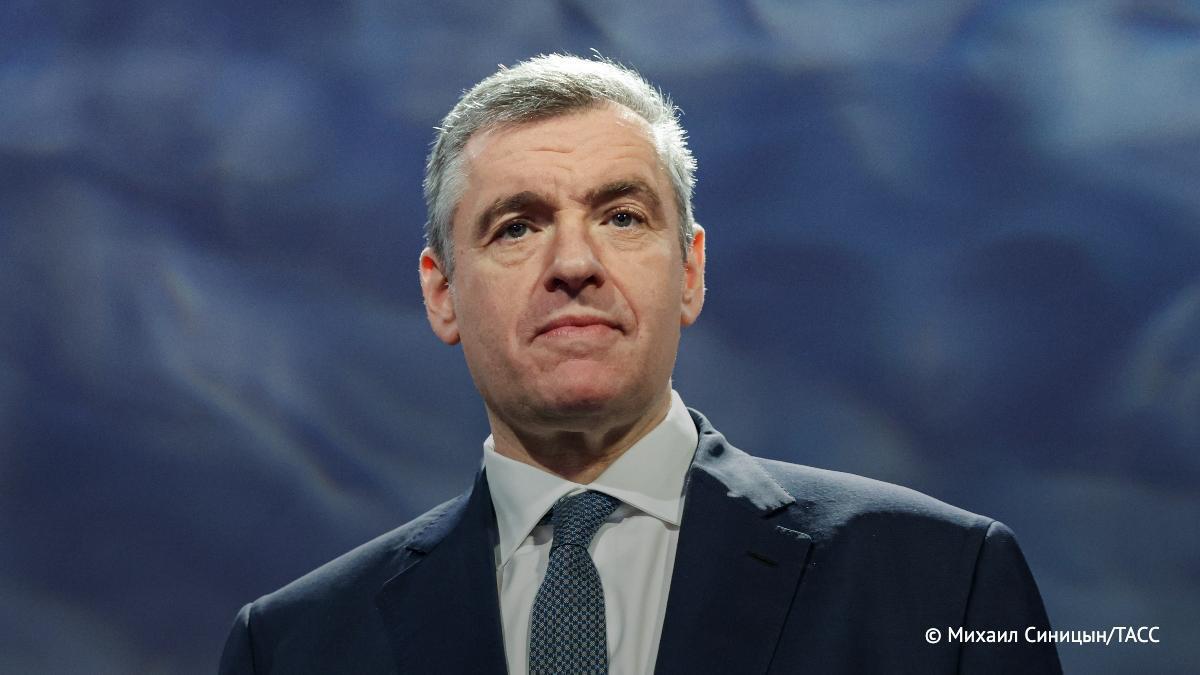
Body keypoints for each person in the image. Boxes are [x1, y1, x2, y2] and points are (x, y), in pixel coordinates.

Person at [219, 54, 1061, 674]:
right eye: (517, 226)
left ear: (690, 271)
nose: (573, 264)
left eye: (621, 216)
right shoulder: (293, 647)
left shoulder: (939, 579)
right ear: (441, 293)